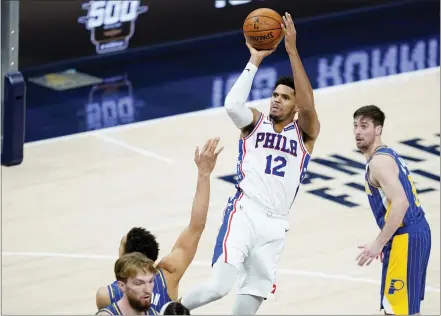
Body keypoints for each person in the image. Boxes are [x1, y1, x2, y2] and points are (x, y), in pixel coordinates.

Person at [180, 12, 320, 315]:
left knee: (244, 311)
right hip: (245, 211)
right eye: (274, 95)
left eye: (285, 97)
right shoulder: (255, 123)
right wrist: (255, 59)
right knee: (219, 287)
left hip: (276, 226)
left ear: (296, 107)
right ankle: (171, 311)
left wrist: (292, 50)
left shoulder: (305, 134)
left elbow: (309, 104)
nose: (276, 100)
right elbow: (232, 106)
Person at [96, 138, 224, 312]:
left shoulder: (106, 294)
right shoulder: (168, 274)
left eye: (120, 245)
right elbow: (196, 226)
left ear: (127, 257)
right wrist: (204, 174)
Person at [353, 105, 431, 315]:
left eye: (364, 126)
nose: (358, 131)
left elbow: (401, 203)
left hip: (407, 237)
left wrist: (379, 243)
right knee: (401, 309)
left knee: (396, 311)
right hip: (411, 234)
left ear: (378, 130)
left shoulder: (379, 162)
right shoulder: (387, 155)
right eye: (355, 126)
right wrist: (386, 239)